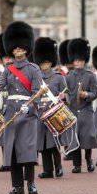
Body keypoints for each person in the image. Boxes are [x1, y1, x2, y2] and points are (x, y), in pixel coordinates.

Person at [0, 21, 42, 194]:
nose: (17, 49)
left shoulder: (34, 69)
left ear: (26, 48)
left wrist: (29, 106)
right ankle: (17, 186)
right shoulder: (8, 70)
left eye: (20, 46)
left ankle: (30, 183)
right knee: (14, 152)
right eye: (14, 47)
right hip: (11, 114)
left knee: (28, 151)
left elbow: (37, 93)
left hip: (27, 115)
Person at [34, 37, 67, 178]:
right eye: (42, 63)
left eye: (47, 62)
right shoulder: (35, 78)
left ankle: (58, 167)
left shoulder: (58, 77)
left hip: (54, 114)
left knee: (54, 144)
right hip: (40, 114)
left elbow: (68, 94)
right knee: (42, 145)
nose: (45, 65)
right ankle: (47, 170)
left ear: (51, 62)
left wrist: (63, 97)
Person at [65, 38, 97, 173]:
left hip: (86, 110)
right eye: (76, 60)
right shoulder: (68, 76)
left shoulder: (90, 76)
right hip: (73, 110)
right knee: (75, 138)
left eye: (80, 60)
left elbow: (95, 93)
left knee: (87, 137)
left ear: (84, 61)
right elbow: (66, 93)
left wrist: (87, 95)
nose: (78, 62)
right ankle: (77, 164)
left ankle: (89, 160)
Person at [0, 33, 13, 172]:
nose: (7, 59)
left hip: (12, 104)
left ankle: (14, 160)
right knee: (2, 135)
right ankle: (6, 161)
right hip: (0, 104)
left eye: (8, 57)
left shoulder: (16, 71)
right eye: (5, 57)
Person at [59, 39, 74, 161]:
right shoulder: (63, 74)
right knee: (66, 127)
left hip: (78, 104)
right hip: (67, 104)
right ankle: (68, 148)